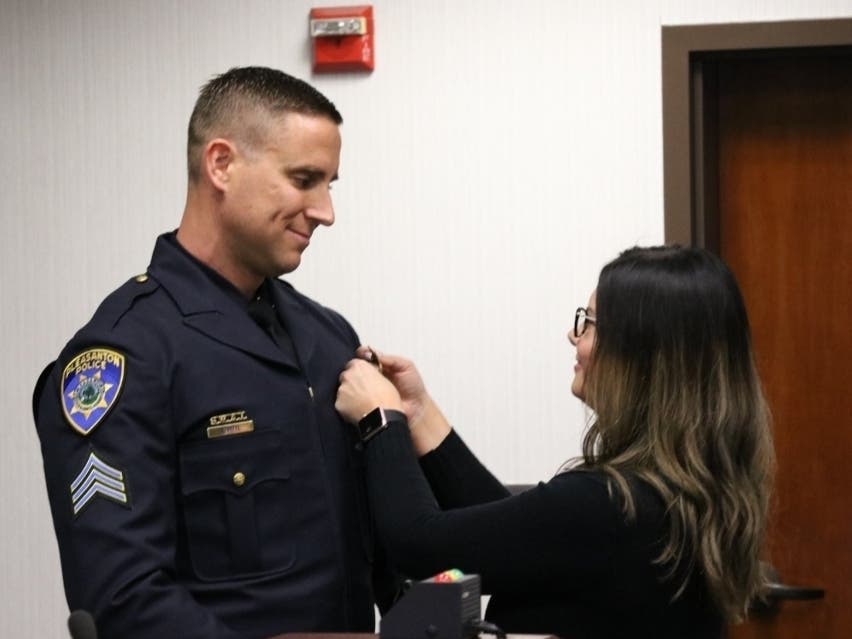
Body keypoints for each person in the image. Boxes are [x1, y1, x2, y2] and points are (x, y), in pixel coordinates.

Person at [33, 66, 398, 639]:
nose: (326, 211)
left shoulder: (328, 337)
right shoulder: (125, 357)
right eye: (304, 179)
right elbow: (124, 600)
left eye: (330, 184)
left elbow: (387, 557)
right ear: (221, 164)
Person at [335, 245, 775, 639]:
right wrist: (419, 414)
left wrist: (381, 419)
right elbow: (523, 541)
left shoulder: (610, 505)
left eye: (590, 323)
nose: (574, 335)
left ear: (638, 355)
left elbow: (420, 545)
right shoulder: (678, 496)